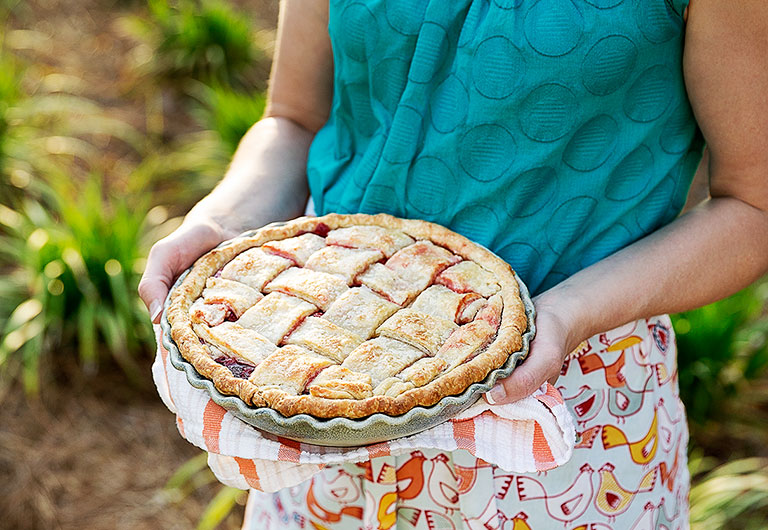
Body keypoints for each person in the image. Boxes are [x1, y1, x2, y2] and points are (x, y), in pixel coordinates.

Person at [139, 0, 768, 527]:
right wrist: (226, 225)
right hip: (318, 392)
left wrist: (564, 316)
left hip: (567, 418)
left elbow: (752, 204)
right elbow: (297, 118)